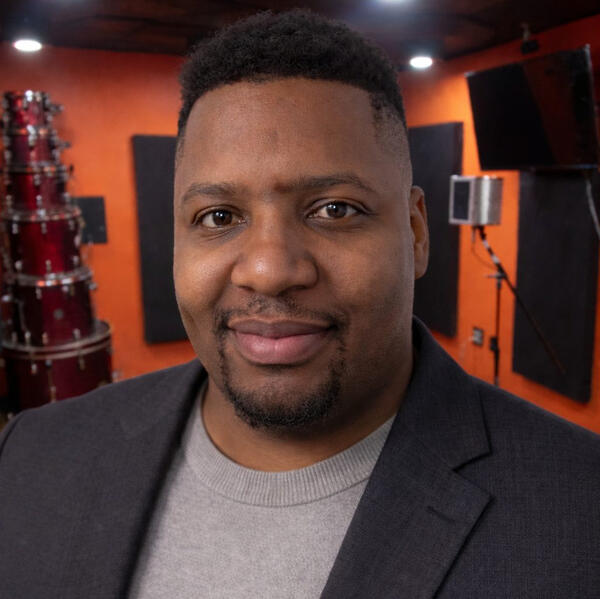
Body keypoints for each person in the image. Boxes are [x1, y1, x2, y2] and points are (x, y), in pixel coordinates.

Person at [1, 9, 599, 599]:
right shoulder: (31, 455)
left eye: (335, 209)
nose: (269, 271)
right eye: (219, 216)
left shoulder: (581, 516)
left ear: (417, 234)